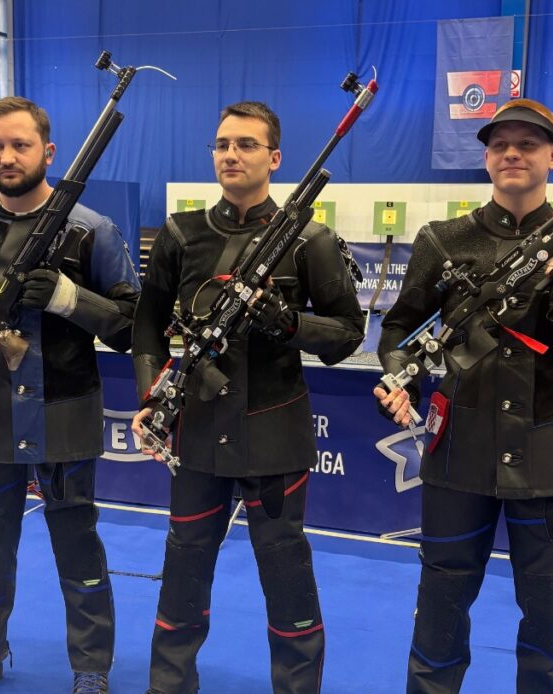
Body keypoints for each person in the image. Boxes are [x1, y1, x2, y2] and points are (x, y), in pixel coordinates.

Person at [374, 99, 553, 693]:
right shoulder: (443, 241)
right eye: (500, 144)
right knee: (440, 613)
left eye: (527, 143)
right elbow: (398, 331)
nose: (512, 153)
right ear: (487, 159)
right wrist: (399, 379)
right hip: (458, 456)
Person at [131, 101, 365, 694]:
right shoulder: (180, 234)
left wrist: (287, 323)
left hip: (275, 435)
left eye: (246, 144)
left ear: (275, 158)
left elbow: (347, 335)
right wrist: (152, 395)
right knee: (183, 569)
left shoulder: (310, 239)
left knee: (286, 574)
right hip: (196, 431)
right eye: (221, 144)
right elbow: (146, 324)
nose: (230, 154)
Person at [0, 96, 141, 694]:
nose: (8, 157)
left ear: (49, 151)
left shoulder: (92, 230)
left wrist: (71, 299)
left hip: (66, 413)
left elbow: (134, 328)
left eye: (20, 144)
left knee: (78, 545)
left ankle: (91, 671)